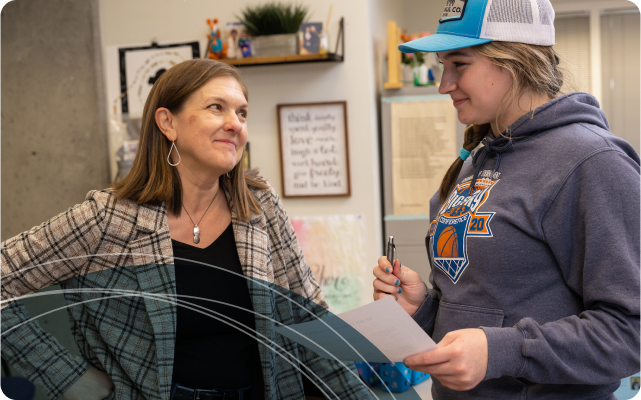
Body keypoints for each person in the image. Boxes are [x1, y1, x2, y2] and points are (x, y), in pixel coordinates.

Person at [1, 58, 372, 400]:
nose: (235, 123)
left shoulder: (260, 205)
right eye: (217, 107)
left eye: (242, 112)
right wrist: (69, 378)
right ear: (168, 122)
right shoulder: (110, 218)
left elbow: (310, 317)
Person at [373, 0, 640, 399]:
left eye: (459, 64)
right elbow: (485, 305)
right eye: (443, 65)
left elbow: (631, 331)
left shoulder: (593, 163)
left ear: (514, 62)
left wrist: (505, 351)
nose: (443, 84)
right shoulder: (476, 159)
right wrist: (424, 310)